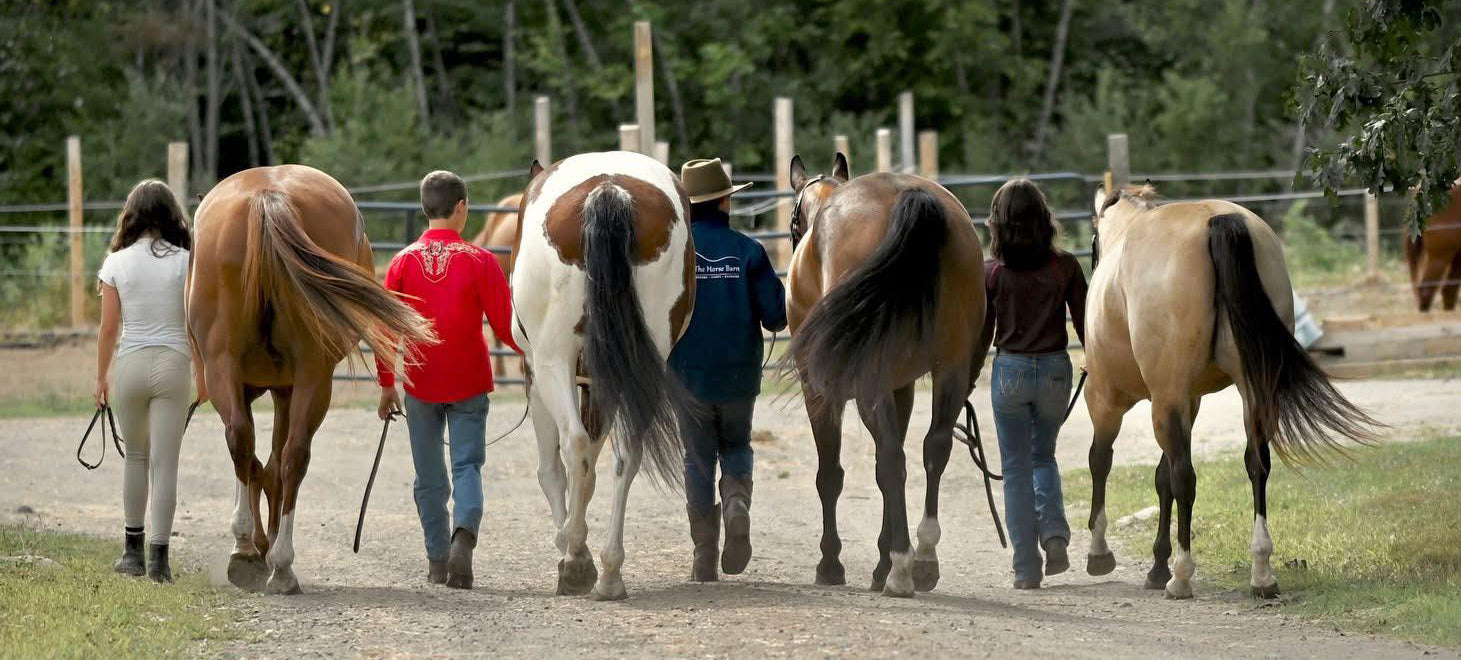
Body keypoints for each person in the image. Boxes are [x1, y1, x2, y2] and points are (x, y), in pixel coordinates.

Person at [376, 170, 520, 590]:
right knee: (467, 466)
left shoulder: (402, 262)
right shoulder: (481, 261)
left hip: (421, 384)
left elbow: (386, 331)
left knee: (429, 477)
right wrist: (536, 357)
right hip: (470, 381)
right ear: (461, 208)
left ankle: (438, 561)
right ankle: (464, 538)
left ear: (424, 209)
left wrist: (387, 384)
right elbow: (506, 326)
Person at [668, 158, 787, 582]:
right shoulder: (749, 250)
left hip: (686, 377)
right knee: (736, 445)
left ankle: (704, 552)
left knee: (697, 459)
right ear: (724, 202)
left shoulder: (673, 256)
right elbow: (777, 317)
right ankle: (736, 501)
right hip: (739, 374)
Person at [978, 177, 1087, 590]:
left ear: (998, 224)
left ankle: (1026, 567)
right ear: (1044, 219)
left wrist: (964, 379)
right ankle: (1055, 536)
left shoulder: (991, 273)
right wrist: (1093, 360)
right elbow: (1085, 324)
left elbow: (983, 334)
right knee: (1044, 457)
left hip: (1011, 372)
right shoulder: (1066, 266)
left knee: (1016, 468)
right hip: (1056, 370)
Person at [95, 179, 205, 583]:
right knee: (165, 463)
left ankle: (131, 553)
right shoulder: (186, 261)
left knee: (136, 458)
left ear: (132, 215)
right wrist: (203, 374)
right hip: (174, 364)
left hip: (130, 364)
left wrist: (100, 377)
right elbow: (194, 324)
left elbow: (108, 329)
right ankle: (160, 561)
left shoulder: (116, 263)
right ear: (171, 214)